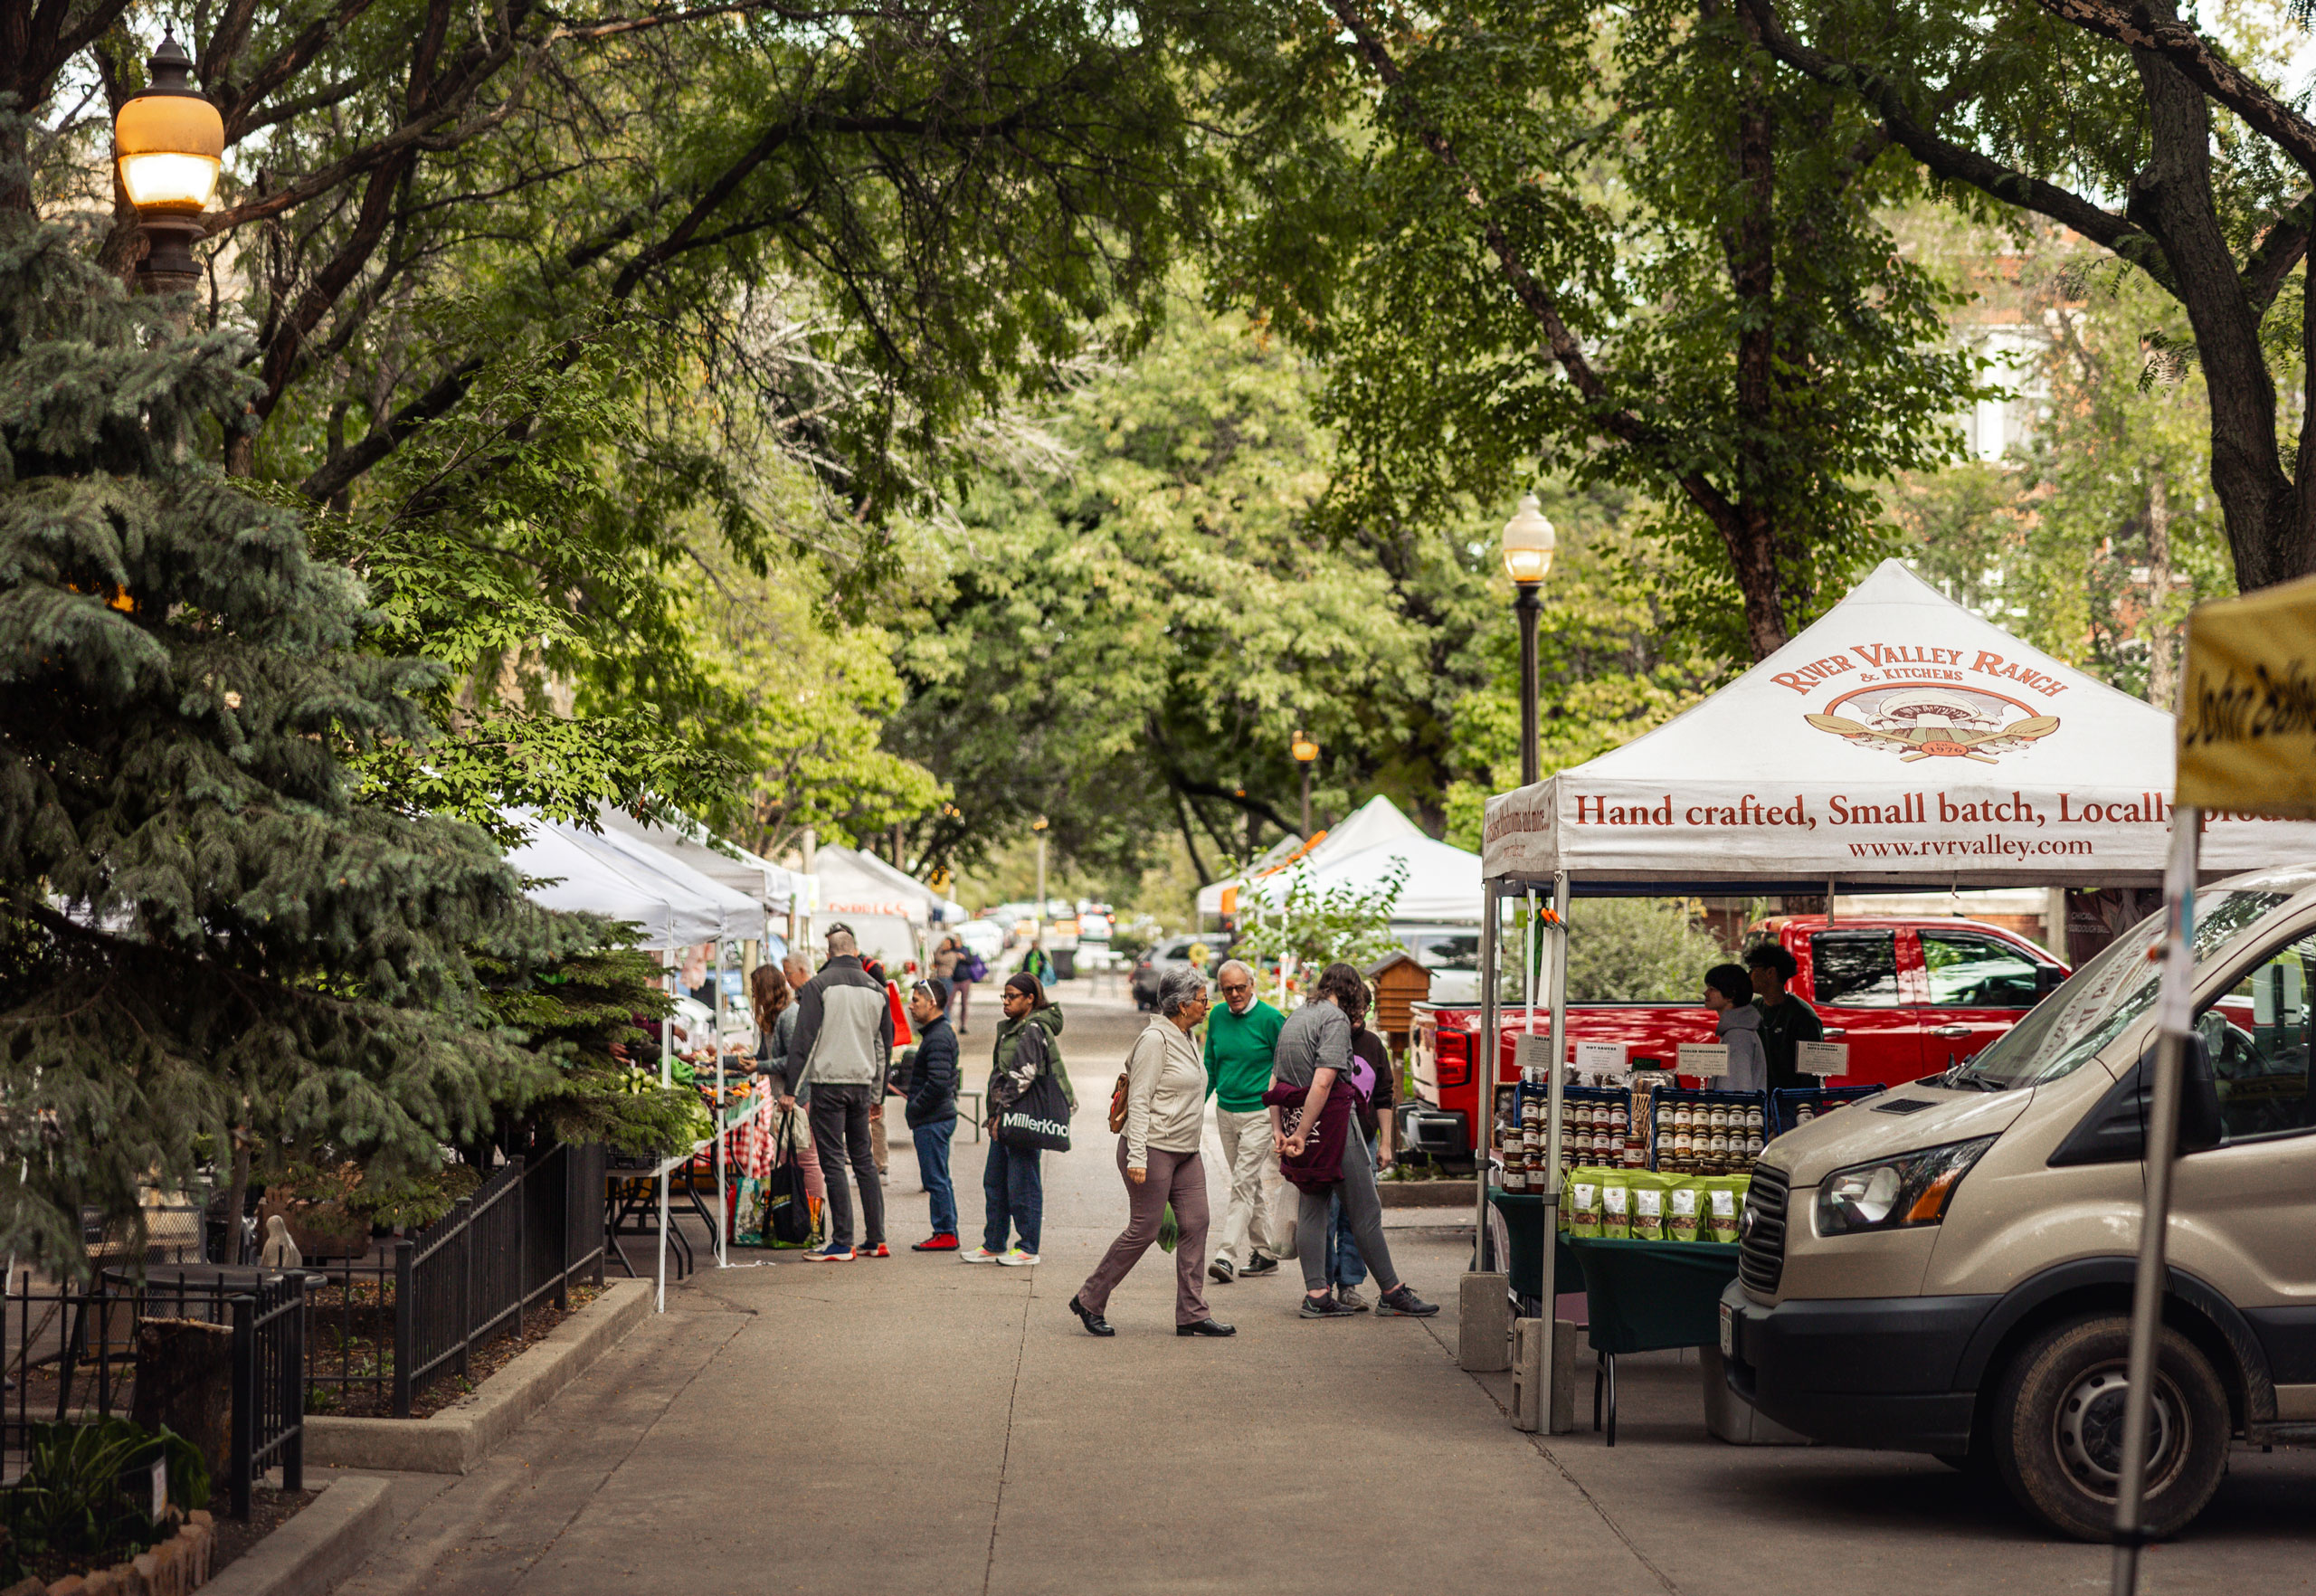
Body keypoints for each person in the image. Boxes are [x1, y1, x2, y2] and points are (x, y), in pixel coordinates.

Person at [1068, 967, 1233, 1337]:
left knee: (1196, 1223)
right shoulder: (1155, 1040)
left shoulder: (1186, 1035)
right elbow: (1139, 1100)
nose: (1208, 1005)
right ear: (1181, 1004)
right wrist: (1137, 1157)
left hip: (1185, 1151)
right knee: (1145, 1228)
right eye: (1203, 999)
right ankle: (1090, 1298)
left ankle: (1192, 1312)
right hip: (1152, 1148)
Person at [1269, 962, 1438, 1320]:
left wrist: (1282, 1130)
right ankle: (1392, 1292)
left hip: (1298, 1123)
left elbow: (1276, 1083)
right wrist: (1300, 1134)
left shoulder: (1295, 1018)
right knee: (1366, 1211)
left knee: (1312, 1207)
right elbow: (1324, 1082)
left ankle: (1317, 1295)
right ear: (1350, 993)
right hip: (1331, 1126)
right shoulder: (1334, 1020)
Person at [785, 926, 895, 1261]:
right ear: (855, 950)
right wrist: (879, 1095)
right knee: (863, 1160)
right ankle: (876, 1239)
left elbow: (804, 1042)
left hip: (829, 1085)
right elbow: (883, 1047)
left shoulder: (818, 986)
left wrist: (791, 1090)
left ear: (828, 953)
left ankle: (842, 1241)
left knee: (832, 1160)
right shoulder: (878, 990)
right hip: (862, 1086)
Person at [963, 973, 1071, 1266]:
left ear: (1030, 999)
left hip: (1021, 1117)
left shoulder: (1033, 1028)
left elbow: (1022, 1075)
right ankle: (994, 1242)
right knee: (995, 1182)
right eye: (1004, 996)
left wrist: (1001, 1113)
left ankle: (1027, 1247)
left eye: (1011, 997)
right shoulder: (1014, 1027)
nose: (1006, 1002)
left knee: (1023, 1182)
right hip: (1007, 1115)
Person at [1204, 959, 1286, 1285]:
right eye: (1228, 989)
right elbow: (1211, 1062)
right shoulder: (1219, 1016)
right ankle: (1265, 1253)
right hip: (1226, 1112)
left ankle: (1225, 1254)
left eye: (1241, 987)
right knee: (1247, 1183)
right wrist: (1197, 1105)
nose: (1235, 994)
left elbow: (1288, 1064)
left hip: (1259, 1114)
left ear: (1252, 984)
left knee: (1241, 1181)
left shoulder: (1270, 1019)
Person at [1323, 979, 1393, 1311]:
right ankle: (1321, 1286)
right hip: (1330, 1143)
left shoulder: (1373, 1045)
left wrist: (1386, 1144)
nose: (1359, 1014)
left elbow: (1384, 1096)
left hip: (1364, 1141)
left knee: (1358, 1219)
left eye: (1364, 1007)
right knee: (1327, 1216)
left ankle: (1349, 1285)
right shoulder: (1324, 1039)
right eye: (1353, 1007)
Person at [749, 963, 826, 1222]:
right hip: (782, 1099)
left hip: (799, 1097)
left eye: (755, 989)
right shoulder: (771, 1017)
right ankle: (795, 1216)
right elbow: (764, 1055)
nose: (753, 995)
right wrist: (733, 1060)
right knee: (786, 1159)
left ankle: (814, 1219)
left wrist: (759, 1066)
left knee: (806, 1158)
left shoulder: (790, 1015)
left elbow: (795, 1059)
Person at [905, 977, 961, 1250]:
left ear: (932, 1003)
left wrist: (916, 1107)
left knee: (936, 1178)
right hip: (935, 1117)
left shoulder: (938, 1036)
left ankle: (945, 1232)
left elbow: (938, 1082)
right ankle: (945, 1229)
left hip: (933, 1119)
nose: (910, 1005)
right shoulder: (937, 1033)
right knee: (939, 1177)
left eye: (916, 1000)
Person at [1747, 942, 1824, 1092]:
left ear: (1770, 972)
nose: (1749, 975)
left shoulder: (1803, 1016)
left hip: (1790, 1104)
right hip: (1758, 1102)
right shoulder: (1752, 1009)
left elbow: (1811, 1075)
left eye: (1752, 969)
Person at [1704, 963, 1769, 1091]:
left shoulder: (1738, 1036)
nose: (1705, 993)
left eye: (1712, 989)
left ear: (1731, 994)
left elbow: (1736, 1091)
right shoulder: (1737, 1031)